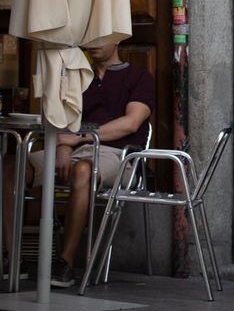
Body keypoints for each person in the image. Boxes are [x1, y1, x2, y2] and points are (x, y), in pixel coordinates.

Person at [2, 42, 154, 288]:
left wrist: (76, 139)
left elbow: (131, 123)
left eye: (100, 36)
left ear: (115, 38)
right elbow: (62, 118)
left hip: (118, 155)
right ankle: (13, 257)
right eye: (90, 36)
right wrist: (62, 146)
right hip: (74, 149)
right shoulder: (80, 77)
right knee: (11, 166)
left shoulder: (138, 77)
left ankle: (65, 263)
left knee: (84, 169)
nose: (92, 42)